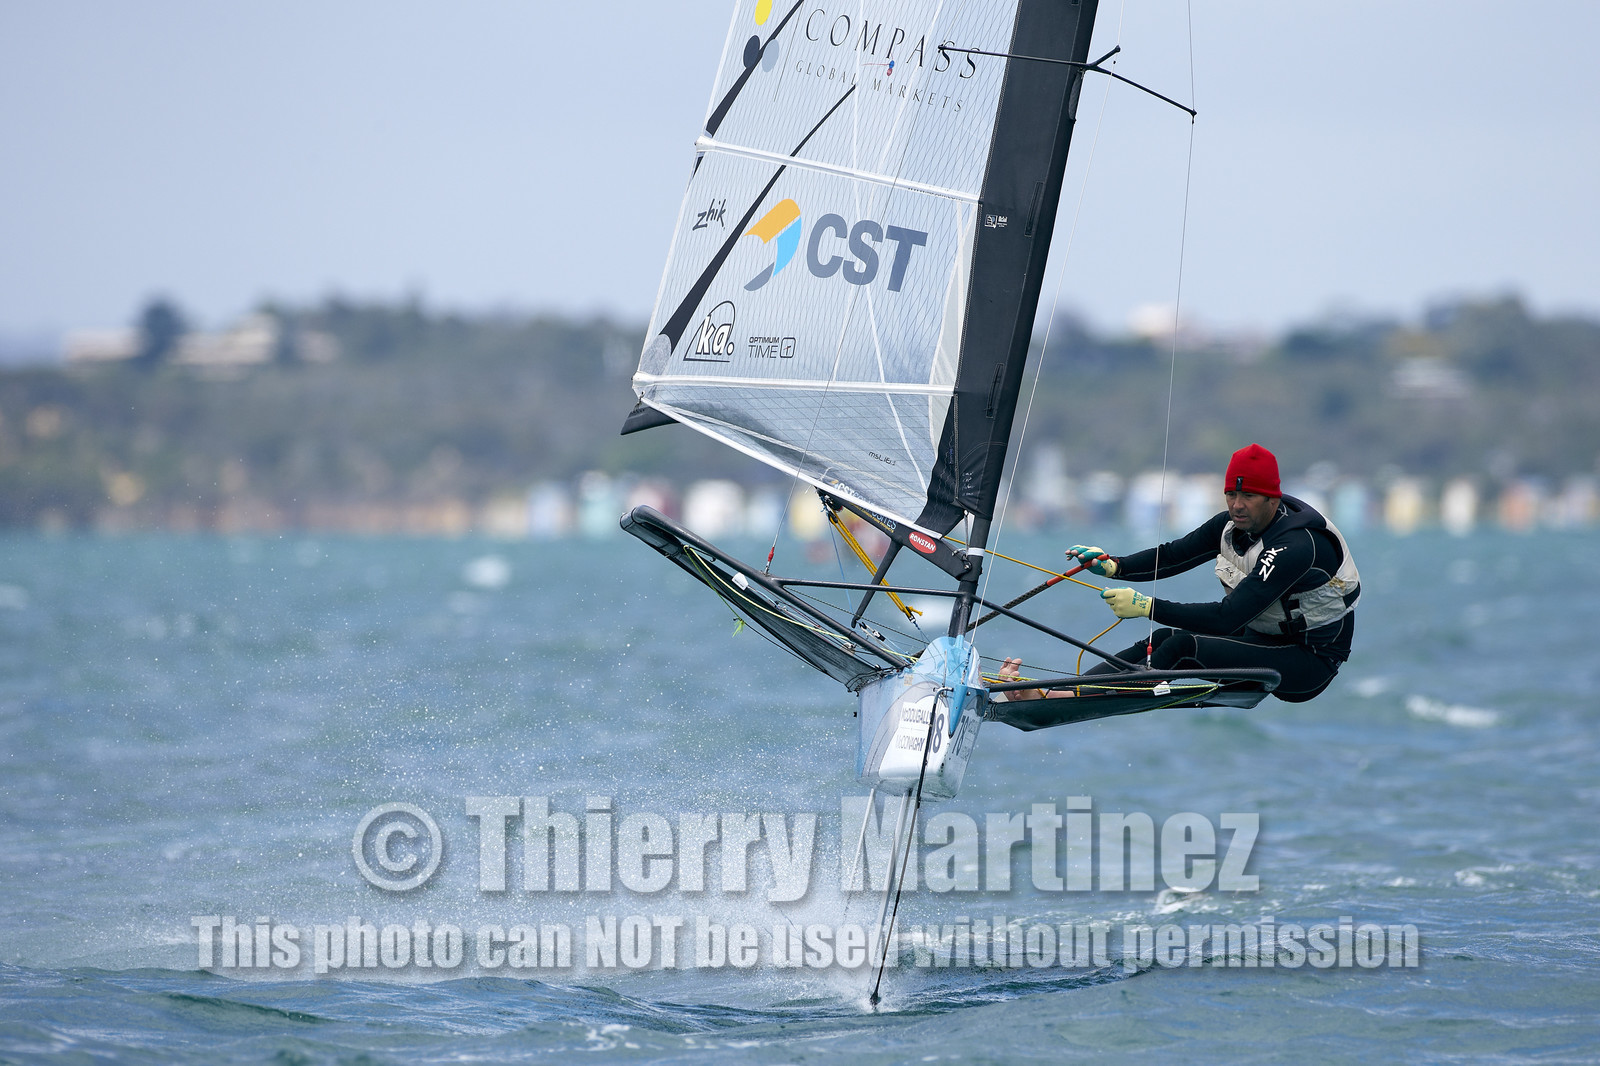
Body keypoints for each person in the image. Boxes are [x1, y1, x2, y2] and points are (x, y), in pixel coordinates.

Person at [999, 443, 1358, 703]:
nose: (1236, 504)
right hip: (1260, 642)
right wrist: (1114, 566)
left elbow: (1226, 618)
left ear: (1273, 500)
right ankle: (1062, 692)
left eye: (1247, 495)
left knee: (1182, 647)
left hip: (1309, 662)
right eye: (1230, 494)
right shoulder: (1231, 524)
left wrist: (1146, 605)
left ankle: (1054, 699)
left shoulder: (1298, 546)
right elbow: (1173, 556)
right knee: (1162, 639)